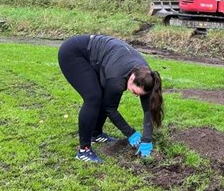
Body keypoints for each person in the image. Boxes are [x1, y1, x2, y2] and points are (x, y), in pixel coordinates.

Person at [58, 34, 164, 164]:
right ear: (131, 78)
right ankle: (83, 150)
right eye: (135, 92)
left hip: (103, 59)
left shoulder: (147, 76)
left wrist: (147, 140)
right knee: (93, 98)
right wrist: (130, 133)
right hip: (74, 53)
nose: (136, 96)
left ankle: (95, 134)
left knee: (103, 95)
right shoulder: (117, 80)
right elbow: (110, 108)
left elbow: (149, 110)